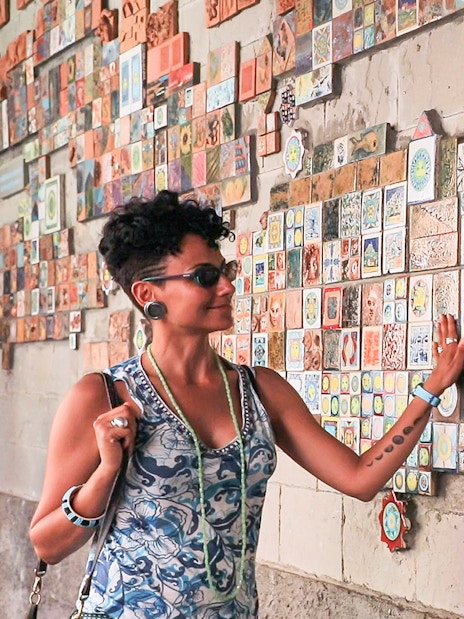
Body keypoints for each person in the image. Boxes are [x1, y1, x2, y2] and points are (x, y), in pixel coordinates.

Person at [30, 190, 464, 618]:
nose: (228, 285)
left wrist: (431, 387)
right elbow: (46, 543)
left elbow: (360, 479)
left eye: (226, 270)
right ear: (148, 294)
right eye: (204, 276)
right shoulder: (103, 396)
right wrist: (105, 472)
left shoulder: (260, 390)